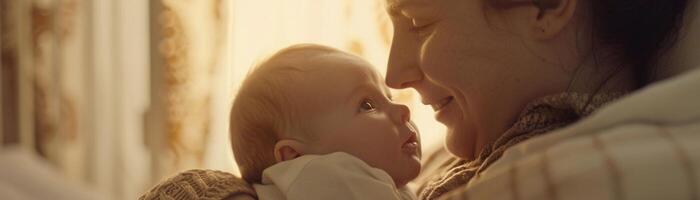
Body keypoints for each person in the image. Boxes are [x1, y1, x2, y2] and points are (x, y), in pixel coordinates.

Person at [140, 0, 700, 199]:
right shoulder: (457, 155)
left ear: (547, 5)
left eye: (418, 22)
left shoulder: (554, 167)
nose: (397, 73)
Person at [140, 44, 422, 200]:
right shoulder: (331, 176)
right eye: (367, 105)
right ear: (294, 157)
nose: (401, 110)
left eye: (389, 96)